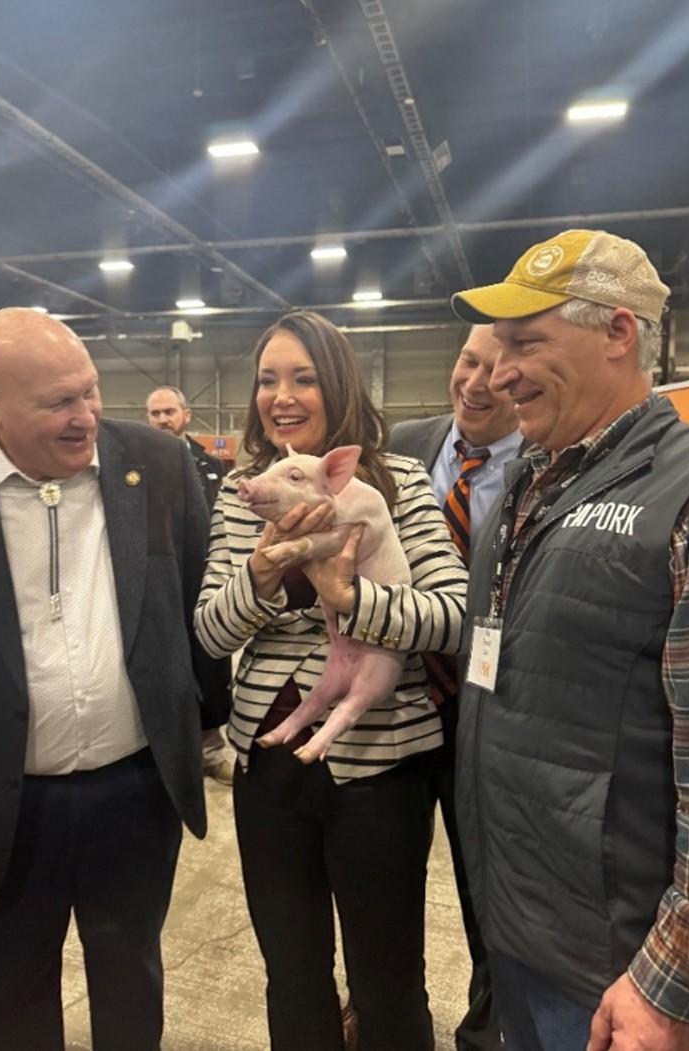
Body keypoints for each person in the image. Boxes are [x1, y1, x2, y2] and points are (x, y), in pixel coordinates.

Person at [450, 228, 689, 1051]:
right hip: (516, 924)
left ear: (618, 333)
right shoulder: (524, 483)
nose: (499, 373)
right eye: (498, 348)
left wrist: (676, 984)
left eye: (526, 343)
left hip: (622, 972)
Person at [0, 308, 230, 1051]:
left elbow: (199, 601)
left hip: (132, 795)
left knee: (130, 981)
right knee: (11, 1001)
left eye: (91, 392)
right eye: (57, 403)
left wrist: (208, 723)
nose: (85, 418)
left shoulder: (161, 464)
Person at [194, 309, 467, 1051]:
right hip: (269, 766)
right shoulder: (239, 494)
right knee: (293, 975)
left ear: (338, 384)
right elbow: (211, 632)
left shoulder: (398, 481)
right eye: (267, 380)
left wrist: (352, 599)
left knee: (387, 982)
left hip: (380, 765)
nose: (282, 395)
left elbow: (452, 614)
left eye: (303, 378)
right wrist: (258, 573)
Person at [388, 323, 522, 1051]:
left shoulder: (547, 460)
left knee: (487, 897)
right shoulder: (406, 442)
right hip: (400, 707)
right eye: (468, 361)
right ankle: (389, 1011)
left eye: (498, 371)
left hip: (488, 718)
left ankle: (488, 1023)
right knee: (384, 888)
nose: (475, 383)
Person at [145, 385, 233, 785]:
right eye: (155, 413)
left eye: (168, 412)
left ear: (186, 415)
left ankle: (212, 748)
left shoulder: (211, 464)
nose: (162, 419)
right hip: (158, 578)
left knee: (210, 658)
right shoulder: (134, 465)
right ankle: (163, 750)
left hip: (207, 573)